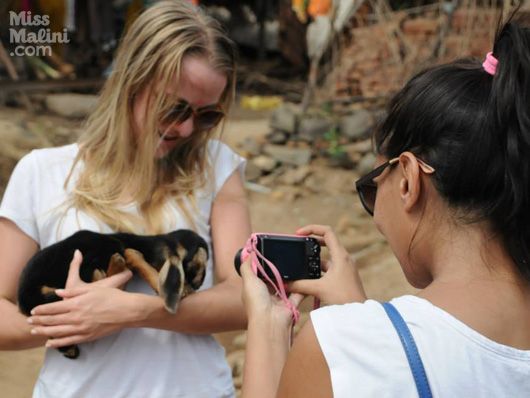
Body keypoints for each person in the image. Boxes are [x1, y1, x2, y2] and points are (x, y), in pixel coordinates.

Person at [239, 16, 530, 398]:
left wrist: (269, 326)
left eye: (372, 187)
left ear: (408, 178)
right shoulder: (361, 344)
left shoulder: (343, 349)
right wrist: (363, 320)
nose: (375, 211)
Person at [0, 2, 250, 397]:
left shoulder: (217, 167)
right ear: (131, 82)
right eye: (174, 108)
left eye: (206, 116)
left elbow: (244, 298)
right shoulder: (42, 172)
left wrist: (136, 312)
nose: (186, 128)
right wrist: (73, 318)